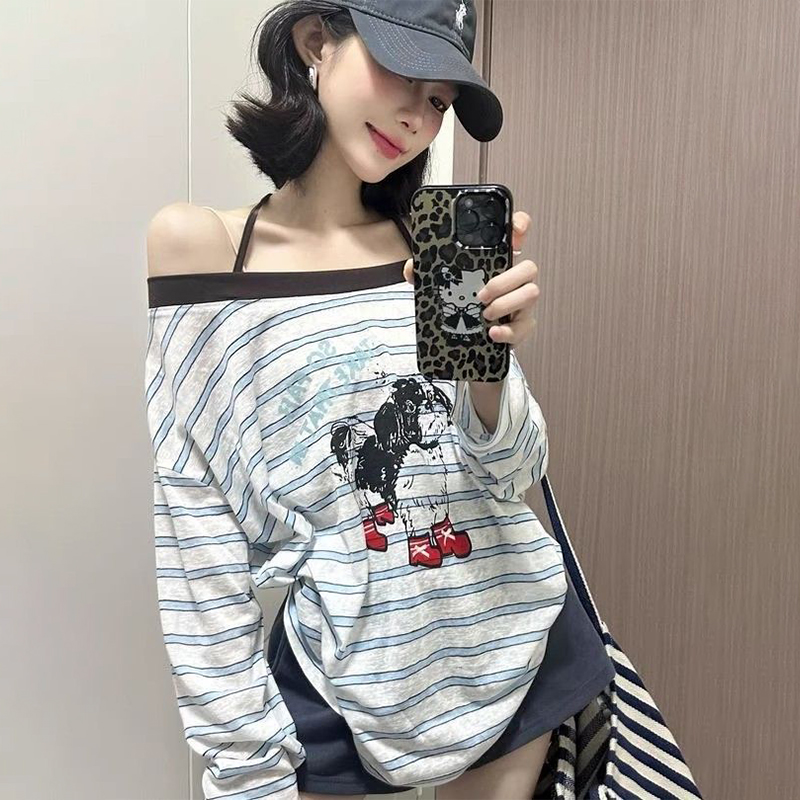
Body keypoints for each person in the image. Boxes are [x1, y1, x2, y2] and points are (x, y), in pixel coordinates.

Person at [144, 1, 615, 799]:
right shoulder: (203, 249)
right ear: (315, 42)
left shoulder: (433, 249)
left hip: (512, 638)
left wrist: (492, 369)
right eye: (403, 70)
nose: (418, 117)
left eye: (440, 100)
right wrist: (246, 764)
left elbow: (512, 472)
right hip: (341, 671)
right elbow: (196, 525)